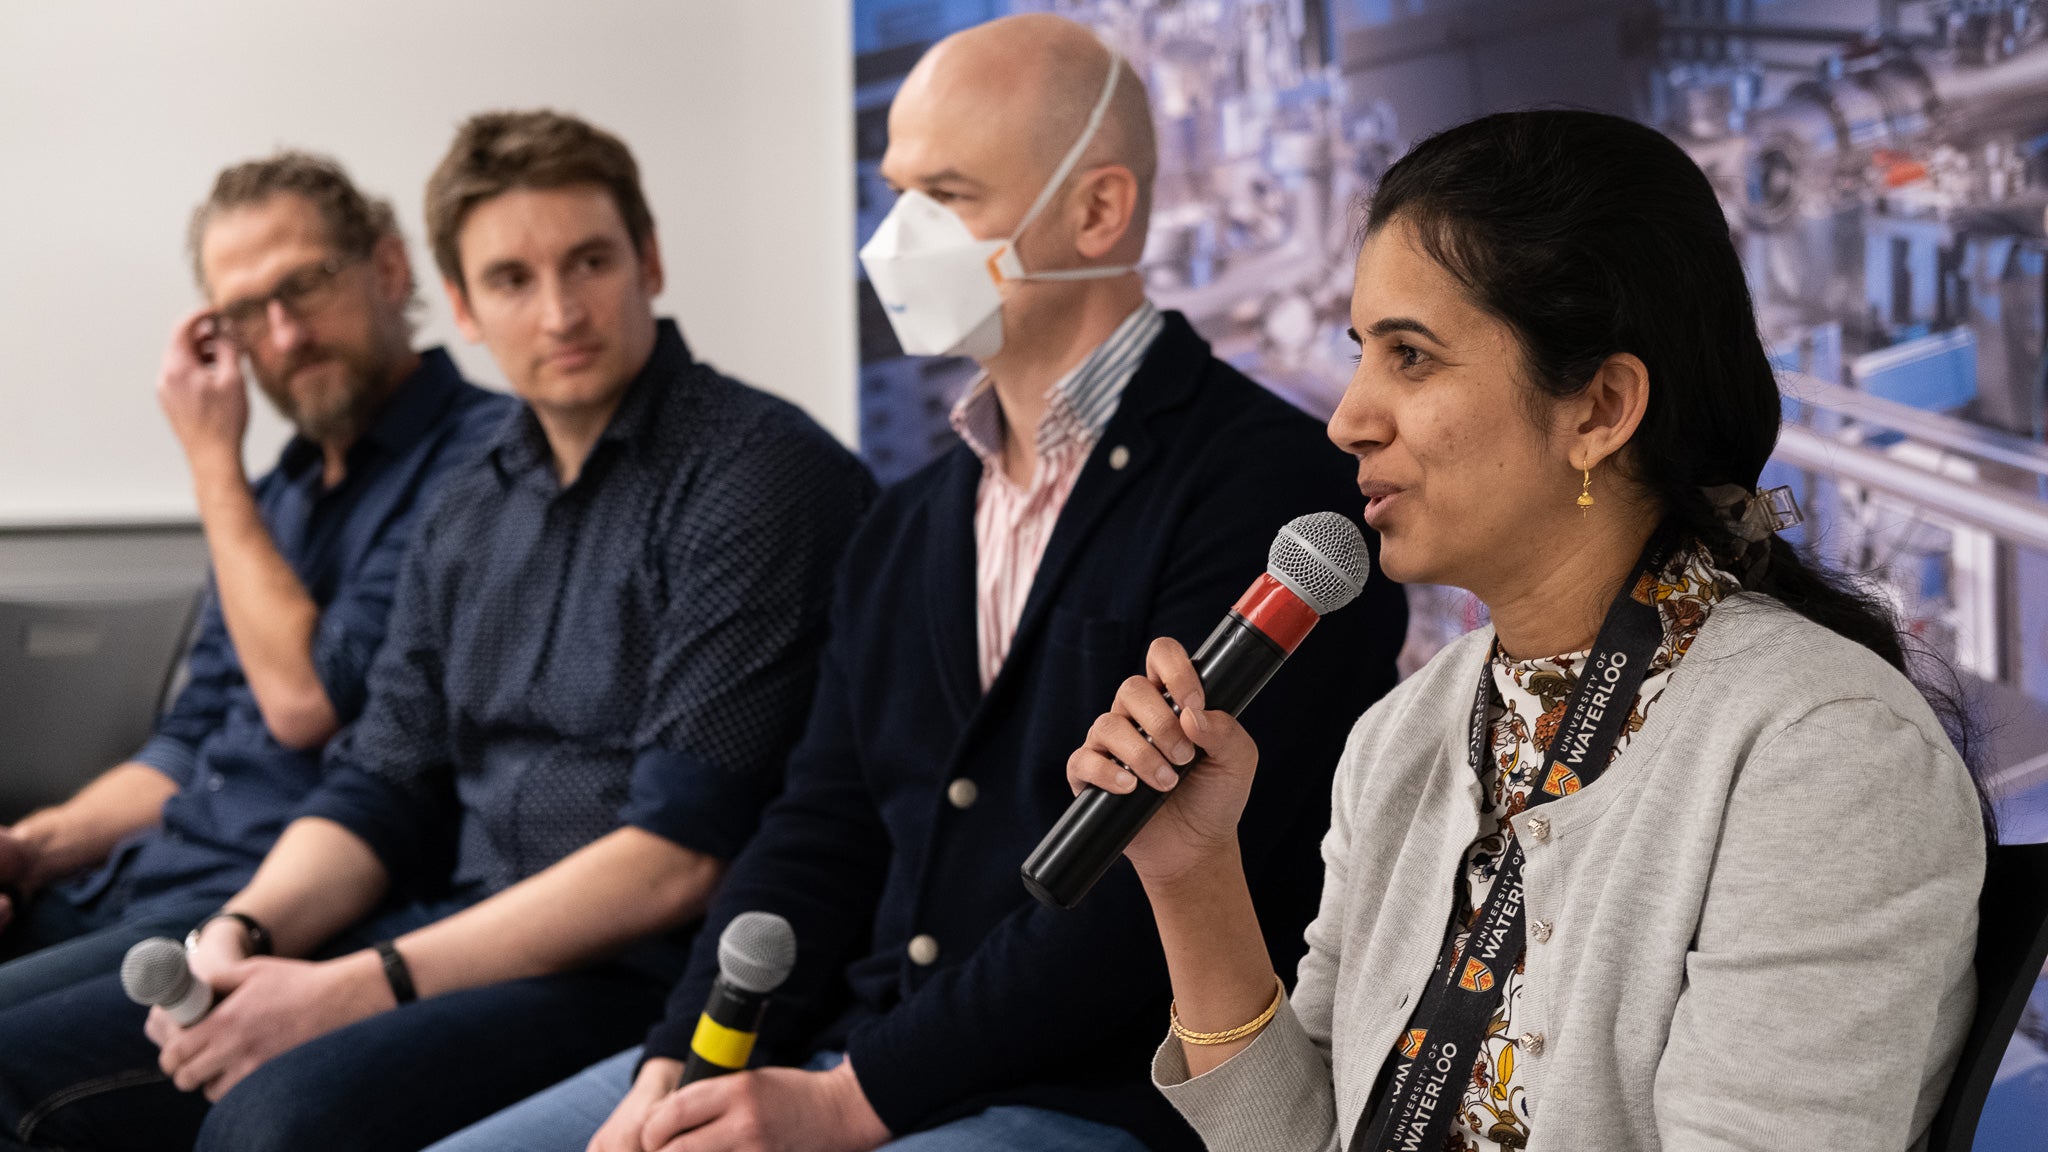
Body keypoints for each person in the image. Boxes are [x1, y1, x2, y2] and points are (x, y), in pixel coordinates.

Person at [431, 15, 1407, 1152]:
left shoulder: (1270, 495)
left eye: (948, 196)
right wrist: (679, 1057)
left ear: (1096, 212)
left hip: (1091, 1093)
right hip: (851, 1054)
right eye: (897, 193)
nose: (898, 237)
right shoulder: (904, 523)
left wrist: (855, 1101)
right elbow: (819, 828)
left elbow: (1137, 906)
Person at [1067, 108, 1991, 1151]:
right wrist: (1191, 878)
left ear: (1598, 407)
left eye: (1409, 357)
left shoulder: (1817, 751)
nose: (1347, 417)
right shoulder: (1402, 737)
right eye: (1360, 352)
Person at [0, 110, 874, 1151]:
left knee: (269, 1125)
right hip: (443, 926)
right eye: (511, 279)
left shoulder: (756, 472)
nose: (559, 312)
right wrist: (244, 933)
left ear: (648, 259)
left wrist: (359, 988)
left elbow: (676, 859)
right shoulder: (467, 499)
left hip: (634, 971)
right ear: (459, 304)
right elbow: (381, 780)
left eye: (589, 261)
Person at [0, 152, 508, 1008]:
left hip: (275, 906)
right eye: (244, 311)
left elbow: (307, 701)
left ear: (389, 269)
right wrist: (32, 847)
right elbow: (188, 738)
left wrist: (210, 463)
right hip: (142, 877)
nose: (283, 334)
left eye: (305, 285)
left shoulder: (487, 458)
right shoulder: (277, 497)